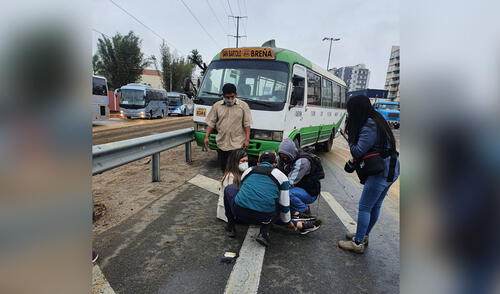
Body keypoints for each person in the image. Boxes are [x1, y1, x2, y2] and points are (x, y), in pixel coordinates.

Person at [337, 95, 400, 254]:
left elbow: (358, 150)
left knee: (365, 207)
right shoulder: (377, 119)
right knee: (375, 205)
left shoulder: (369, 124)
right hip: (391, 167)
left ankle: (357, 243)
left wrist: (350, 138)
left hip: (381, 171)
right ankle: (363, 235)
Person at [224, 151, 321, 247]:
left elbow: (244, 192)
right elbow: (284, 205)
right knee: (277, 203)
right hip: (265, 217)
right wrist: (287, 222)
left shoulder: (248, 171)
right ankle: (264, 233)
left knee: (230, 188)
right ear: (274, 164)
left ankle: (231, 226)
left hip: (240, 213)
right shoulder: (282, 177)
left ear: (258, 163)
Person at [204, 83, 252, 171]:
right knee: (224, 169)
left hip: (237, 144)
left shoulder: (243, 106)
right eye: (227, 97)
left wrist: (247, 139)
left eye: (232, 97)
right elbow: (211, 123)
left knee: (237, 170)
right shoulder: (217, 106)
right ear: (223, 96)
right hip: (222, 144)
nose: (230, 99)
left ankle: (236, 184)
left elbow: (247, 124)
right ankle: (226, 183)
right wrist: (206, 137)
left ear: (236, 95)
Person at [278, 138, 324, 220]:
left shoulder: (302, 162)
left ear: (290, 153)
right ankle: (295, 210)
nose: (283, 158)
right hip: (298, 188)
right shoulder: (284, 158)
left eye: (285, 156)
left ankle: (304, 210)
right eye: (281, 155)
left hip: (309, 192)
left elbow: (290, 182)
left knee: (286, 194)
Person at [217, 149, 248, 222]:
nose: (245, 163)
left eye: (247, 161)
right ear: (235, 162)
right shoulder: (230, 176)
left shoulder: (241, 173)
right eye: (243, 161)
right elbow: (231, 197)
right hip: (228, 211)